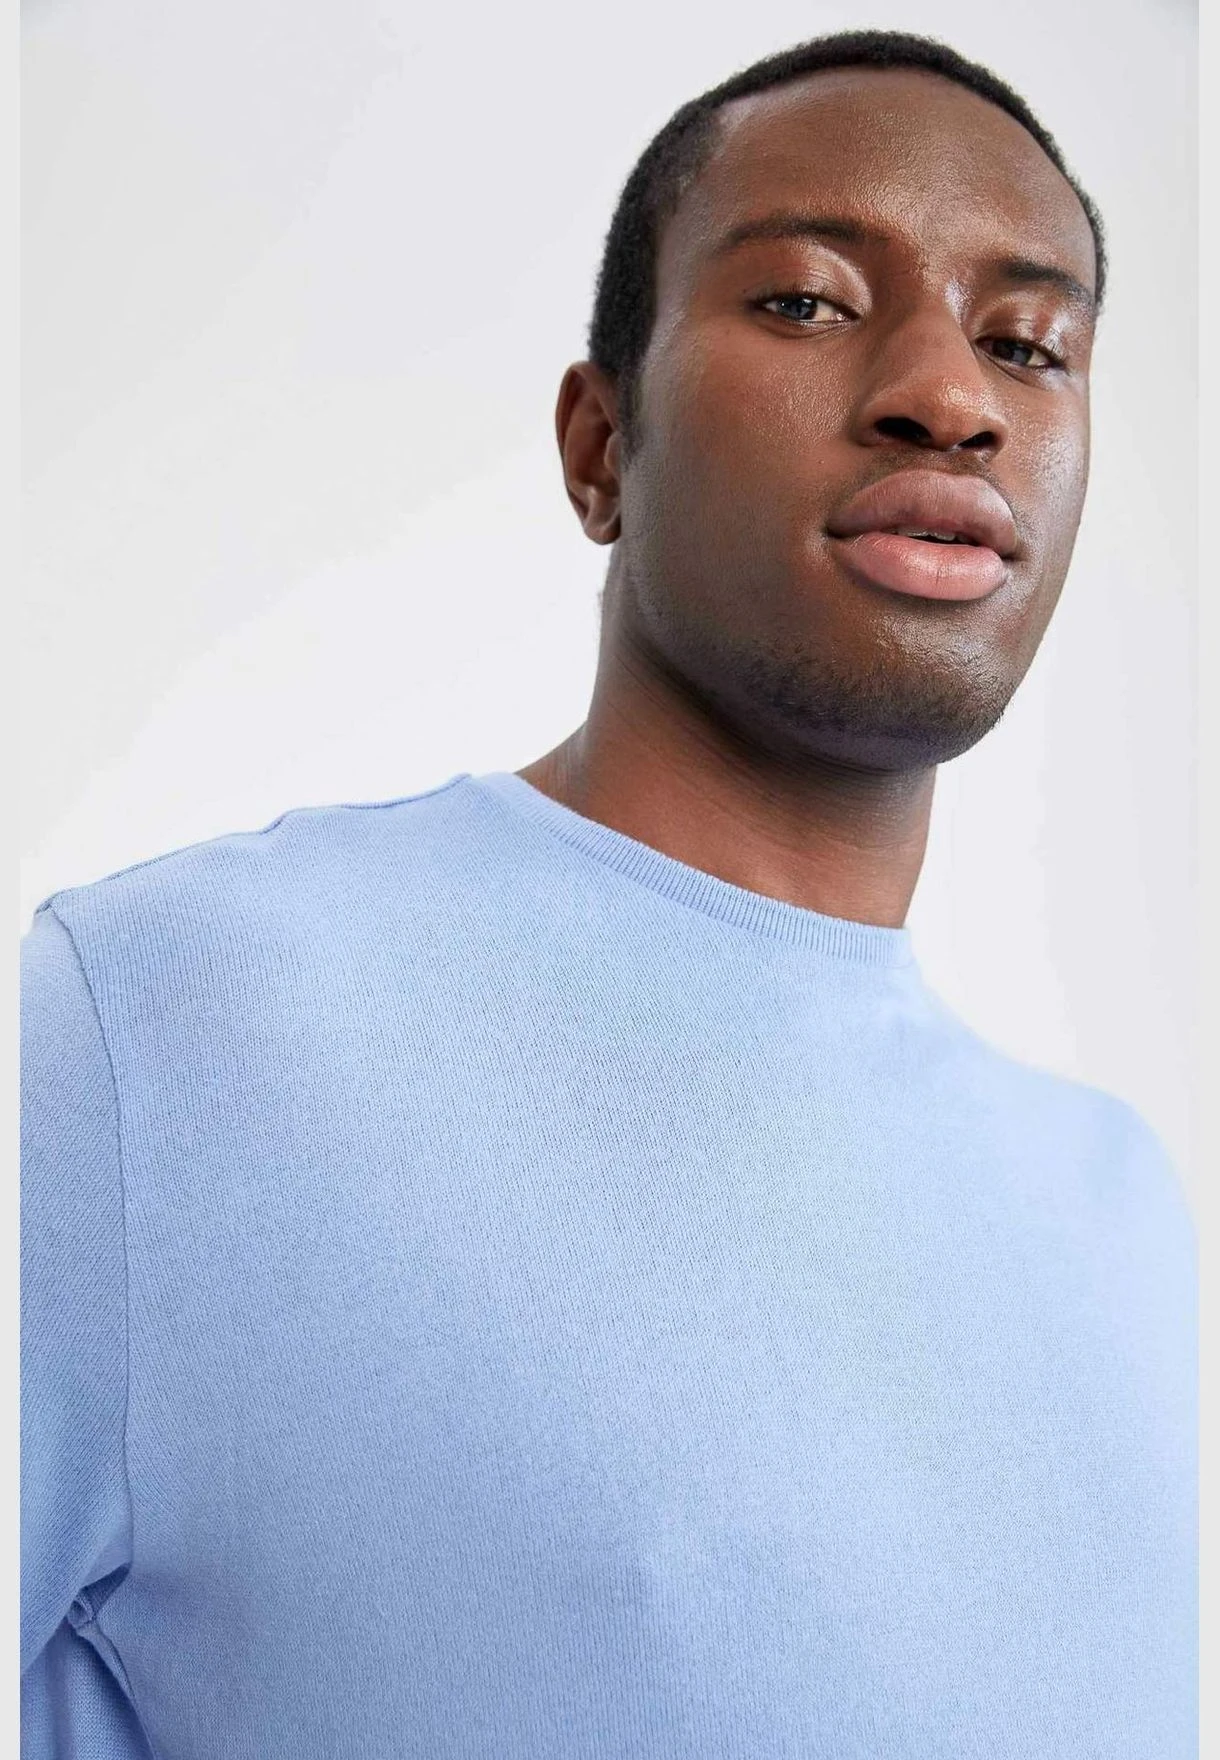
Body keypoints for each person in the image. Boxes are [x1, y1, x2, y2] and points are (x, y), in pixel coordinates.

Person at [20, 29, 1196, 1759]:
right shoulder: (157, 1025)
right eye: (806, 300)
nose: (952, 396)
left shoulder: (1128, 1216)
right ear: (598, 447)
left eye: (1028, 343)